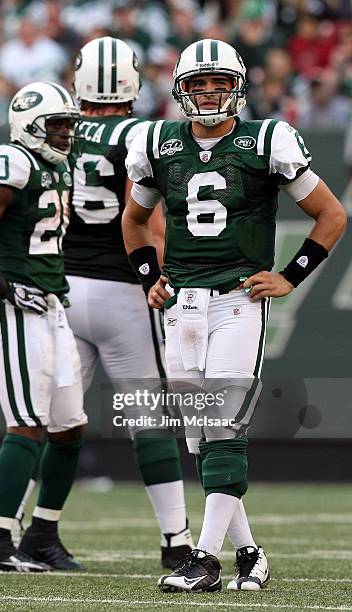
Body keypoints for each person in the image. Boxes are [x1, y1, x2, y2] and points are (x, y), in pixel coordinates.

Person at [122, 39, 346, 593]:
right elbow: (133, 220)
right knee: (200, 438)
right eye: (198, 83)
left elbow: (331, 215)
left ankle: (204, 558)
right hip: (181, 308)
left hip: (237, 300)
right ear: (181, 89)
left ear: (237, 87)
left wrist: (290, 275)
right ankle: (248, 552)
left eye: (219, 82)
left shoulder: (266, 139)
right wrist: (151, 278)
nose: (209, 92)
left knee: (223, 426)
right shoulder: (155, 142)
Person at [63, 36, 193, 568]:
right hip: (121, 291)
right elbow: (149, 221)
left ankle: (19, 528)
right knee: (147, 416)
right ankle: (175, 539)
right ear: (131, 83)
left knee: (53, 418)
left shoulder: (57, 126)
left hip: (63, 289)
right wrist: (164, 278)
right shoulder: (142, 133)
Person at [0, 81, 87, 572]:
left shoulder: (55, 164)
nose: (66, 133)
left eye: (69, 124)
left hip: (52, 306)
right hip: (18, 306)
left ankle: (42, 536)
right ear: (30, 125)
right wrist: (5, 287)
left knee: (69, 427)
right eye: (58, 124)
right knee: (27, 424)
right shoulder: (14, 160)